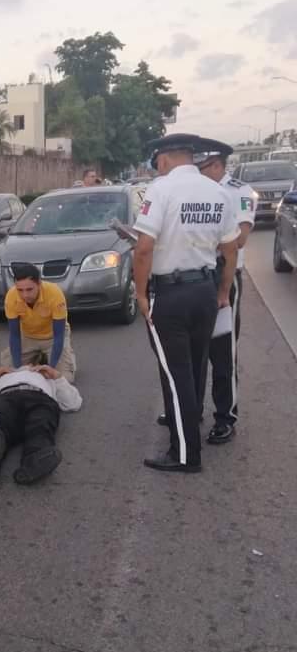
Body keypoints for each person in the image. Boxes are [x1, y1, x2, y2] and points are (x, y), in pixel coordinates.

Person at [133, 133, 240, 473]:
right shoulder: (217, 191)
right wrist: (223, 293)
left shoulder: (161, 190)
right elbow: (231, 249)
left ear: (164, 159)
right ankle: (188, 435)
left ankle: (185, 454)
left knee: (176, 373)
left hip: (172, 295)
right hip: (206, 292)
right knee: (195, 369)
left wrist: (139, 293)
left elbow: (144, 248)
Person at [157, 147, 256, 443]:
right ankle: (191, 409)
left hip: (222, 276)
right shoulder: (195, 189)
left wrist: (200, 239)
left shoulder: (237, 191)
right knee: (192, 352)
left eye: (200, 164)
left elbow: (239, 240)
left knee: (222, 352)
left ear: (214, 164)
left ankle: (225, 416)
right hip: (196, 280)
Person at [0, 365, 82, 486]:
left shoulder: (48, 378)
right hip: (7, 396)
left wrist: (57, 376)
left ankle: (35, 460)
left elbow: (72, 403)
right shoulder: (2, 375)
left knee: (40, 425)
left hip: (39, 397)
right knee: (1, 422)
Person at [2, 263, 76, 382]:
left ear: (39, 284)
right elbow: (14, 336)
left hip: (52, 337)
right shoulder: (11, 296)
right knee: (9, 373)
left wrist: (50, 369)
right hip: (27, 336)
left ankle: (53, 358)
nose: (25, 295)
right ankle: (39, 357)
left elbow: (59, 336)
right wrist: (17, 369)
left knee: (64, 378)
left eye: (29, 289)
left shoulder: (55, 293)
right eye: (20, 290)